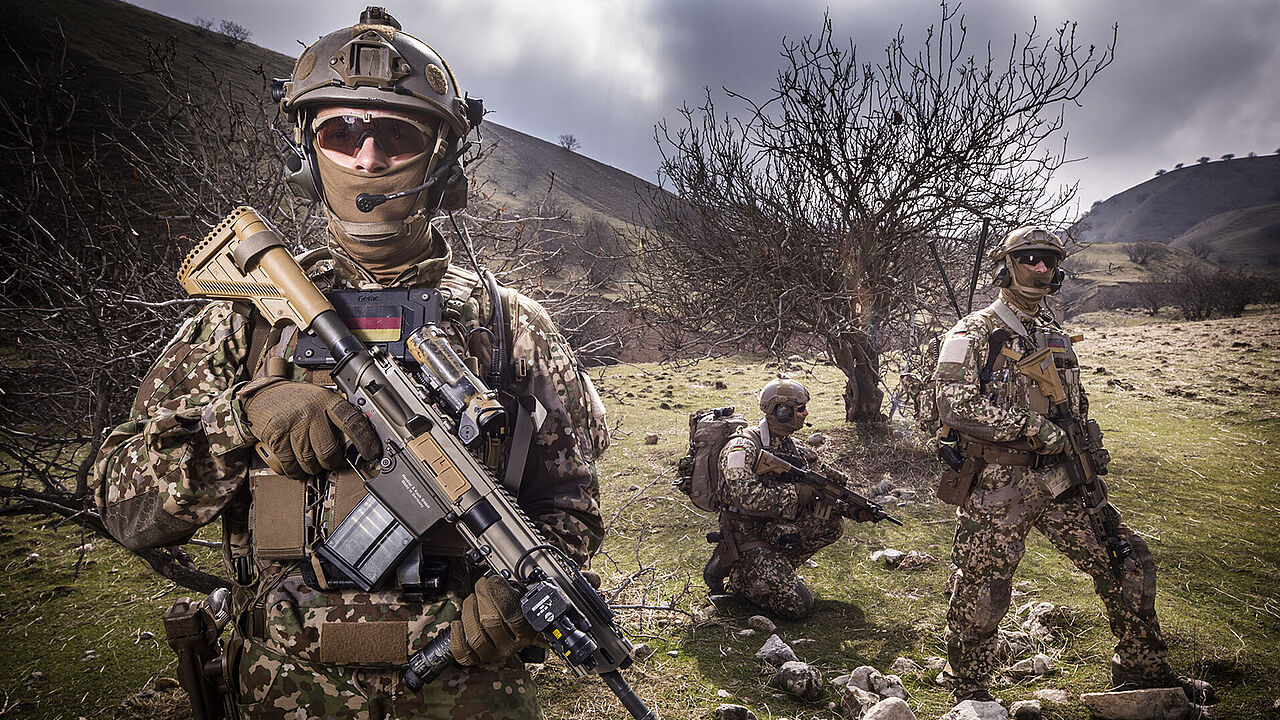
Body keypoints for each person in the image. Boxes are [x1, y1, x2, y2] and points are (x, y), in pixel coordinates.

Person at [92, 8, 609, 719]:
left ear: (441, 156)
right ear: (307, 154)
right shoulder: (244, 317)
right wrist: (238, 421)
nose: (368, 160)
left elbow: (570, 504)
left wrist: (527, 596)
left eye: (396, 135)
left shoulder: (512, 325)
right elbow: (121, 505)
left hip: (468, 692)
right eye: (342, 134)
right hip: (283, 692)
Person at [933, 225, 1212, 705]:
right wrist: (1035, 430)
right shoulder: (974, 331)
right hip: (1001, 482)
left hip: (1063, 478)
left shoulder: (1054, 335)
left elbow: (1073, 404)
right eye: (1031, 258)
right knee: (984, 582)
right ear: (1008, 265)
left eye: (1050, 261)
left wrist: (1088, 444)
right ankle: (969, 684)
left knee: (1127, 560)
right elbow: (953, 403)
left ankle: (1142, 670)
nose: (1041, 268)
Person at [702, 378, 850, 620]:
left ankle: (770, 571)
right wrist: (795, 494)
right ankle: (741, 576)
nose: (805, 413)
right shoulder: (741, 447)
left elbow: (819, 486)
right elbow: (746, 498)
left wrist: (848, 508)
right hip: (746, 534)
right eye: (799, 408)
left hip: (774, 528)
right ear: (781, 411)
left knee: (831, 524)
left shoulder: (794, 448)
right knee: (798, 605)